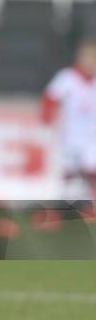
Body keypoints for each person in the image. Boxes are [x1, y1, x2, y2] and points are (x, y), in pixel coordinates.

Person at [41, 38, 96, 199]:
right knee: (68, 175)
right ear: (80, 57)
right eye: (88, 57)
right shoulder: (68, 78)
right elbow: (50, 98)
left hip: (91, 138)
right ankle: (63, 210)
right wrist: (47, 117)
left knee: (91, 170)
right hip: (69, 137)